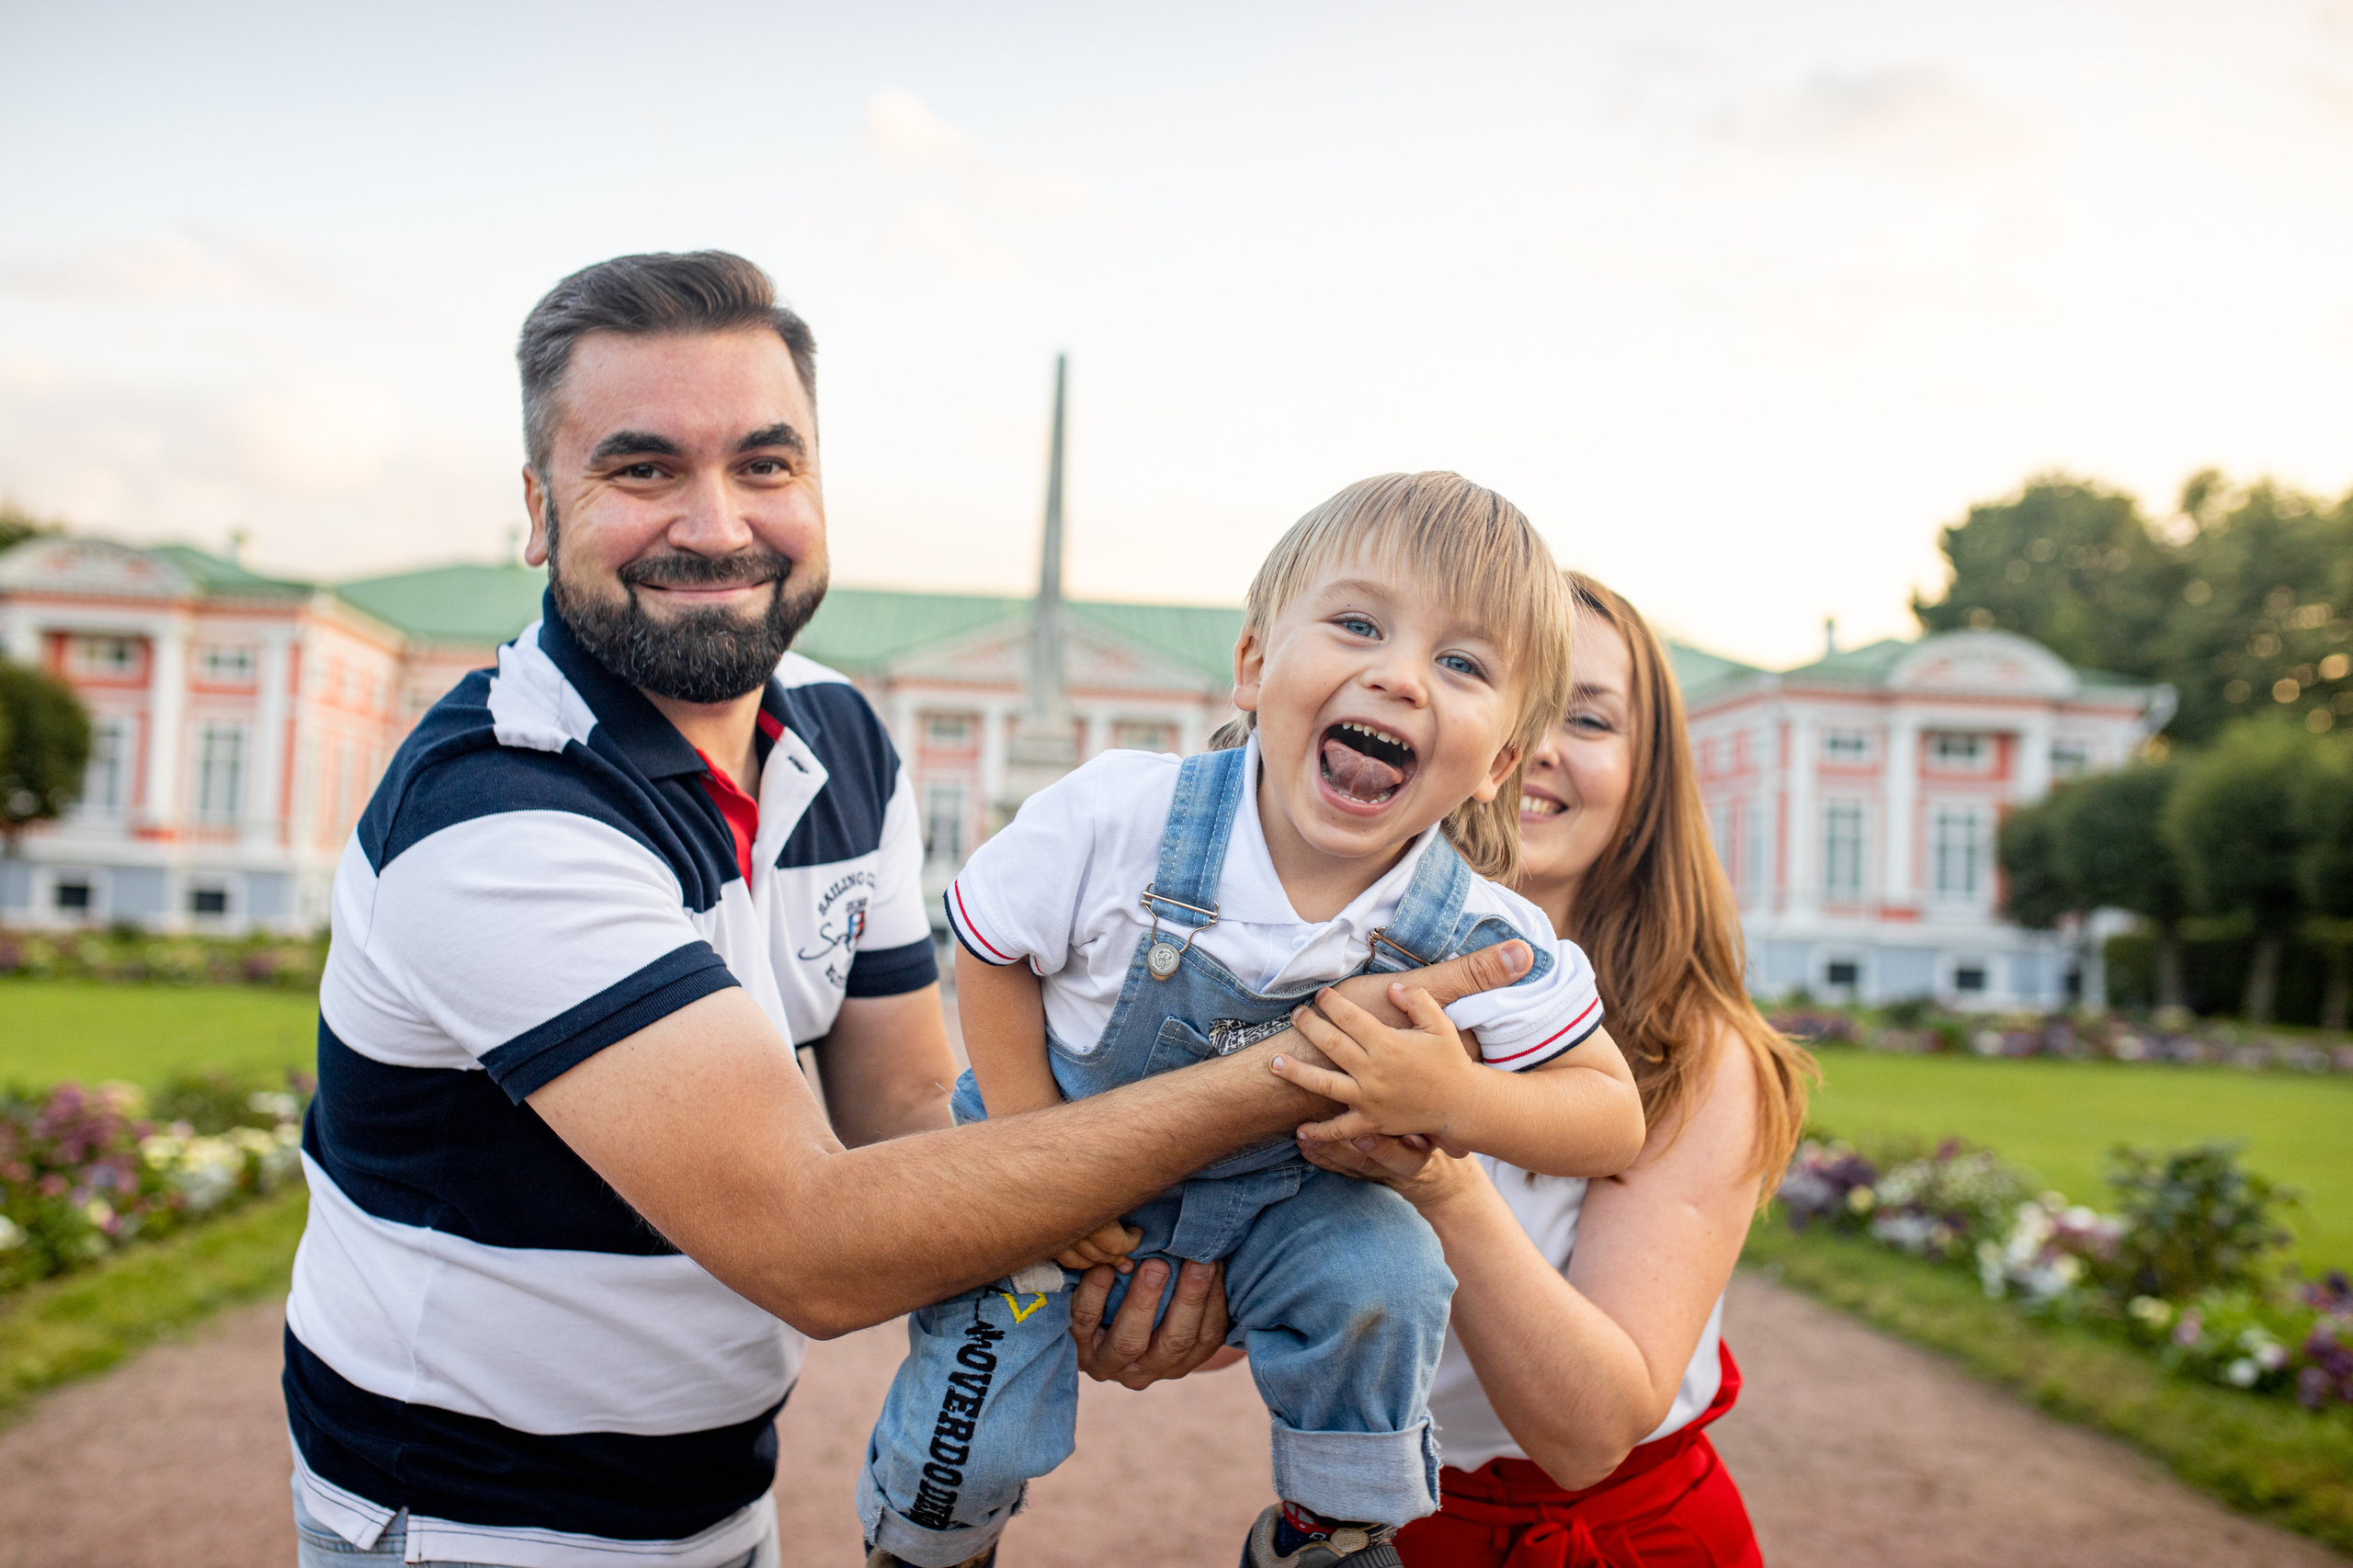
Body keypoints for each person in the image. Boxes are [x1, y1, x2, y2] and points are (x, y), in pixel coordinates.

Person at [280, 251, 1530, 1568]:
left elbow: (915, 1117)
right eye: (643, 469)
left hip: (715, 1502)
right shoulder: (496, 810)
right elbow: (812, 1240)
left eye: (766, 465)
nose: (717, 524)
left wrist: (1125, 1249)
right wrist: (1305, 1070)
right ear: (539, 509)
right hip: (468, 1524)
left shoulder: (837, 734)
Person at [861, 475, 1649, 1568]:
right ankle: (931, 1536)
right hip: (1056, 1149)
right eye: (1360, 624)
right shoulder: (1123, 813)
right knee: (980, 1383)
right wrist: (1032, 1153)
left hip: (1286, 1209)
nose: (1399, 674)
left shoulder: (1478, 925)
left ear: (1501, 763)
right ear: (1253, 665)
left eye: (1461, 663)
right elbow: (992, 952)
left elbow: (1612, 1119)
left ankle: (1330, 1528)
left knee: (1387, 1274)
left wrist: (1458, 1098)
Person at [1286, 574, 1817, 1568]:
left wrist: (1437, 1160)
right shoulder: (1334, 987)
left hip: (1614, 1540)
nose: (1536, 744)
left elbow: (1586, 1436)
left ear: (1646, 771)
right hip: (1369, 1527)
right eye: (1504, 690)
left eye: (1587, 716)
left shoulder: (1697, 1050)